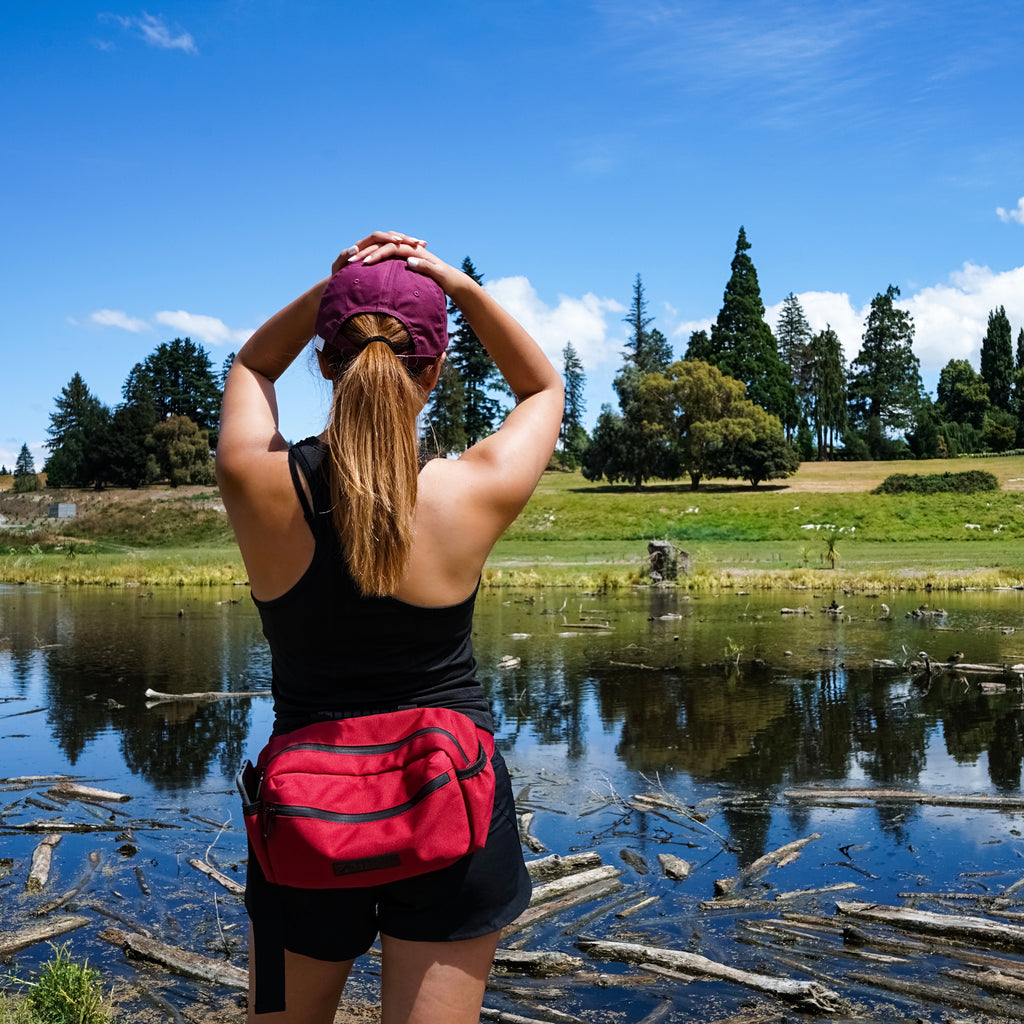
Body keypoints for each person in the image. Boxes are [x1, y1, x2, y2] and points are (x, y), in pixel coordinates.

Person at [216, 230, 564, 1024]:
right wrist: (454, 285)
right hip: (457, 810)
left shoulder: (257, 484)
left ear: (326, 361)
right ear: (434, 371)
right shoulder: (469, 493)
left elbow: (250, 365)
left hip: (300, 829)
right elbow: (543, 390)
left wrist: (340, 286)